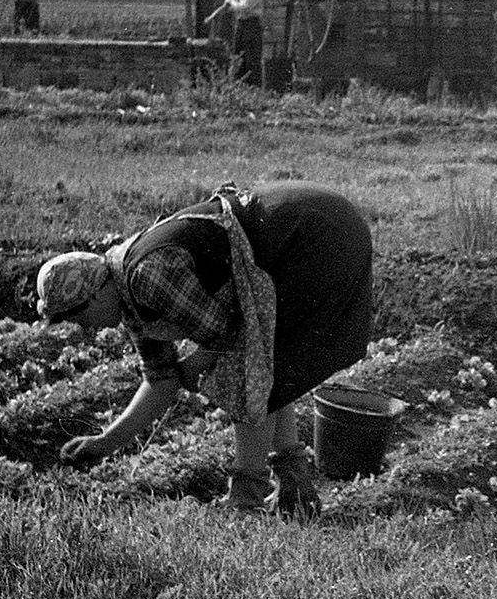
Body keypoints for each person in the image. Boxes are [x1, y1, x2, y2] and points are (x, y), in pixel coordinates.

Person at [40, 181, 373, 516]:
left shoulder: (146, 276)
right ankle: (295, 489)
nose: (86, 328)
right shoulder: (129, 297)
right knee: (269, 367)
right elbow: (161, 380)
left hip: (315, 232)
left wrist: (196, 363)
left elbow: (226, 333)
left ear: (95, 294)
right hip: (310, 229)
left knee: (247, 368)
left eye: (80, 317)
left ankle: (246, 500)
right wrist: (104, 443)